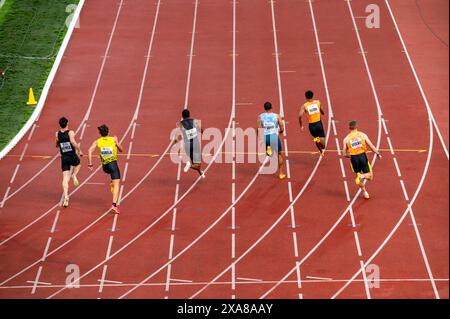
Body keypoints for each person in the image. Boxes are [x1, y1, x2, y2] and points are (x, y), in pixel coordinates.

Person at [87, 124, 123, 214]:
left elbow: (89, 151)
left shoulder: (97, 141)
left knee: (113, 179)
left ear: (100, 133)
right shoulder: (113, 139)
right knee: (117, 183)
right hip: (113, 165)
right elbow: (121, 150)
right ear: (108, 132)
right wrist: (117, 142)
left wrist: (90, 163)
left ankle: (112, 182)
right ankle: (114, 205)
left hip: (105, 167)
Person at [342, 120, 381, 199]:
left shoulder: (346, 139)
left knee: (358, 177)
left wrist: (351, 155)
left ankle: (364, 191)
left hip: (354, 159)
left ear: (349, 128)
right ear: (357, 127)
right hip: (362, 157)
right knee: (370, 177)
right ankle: (362, 176)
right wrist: (377, 153)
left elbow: (344, 154)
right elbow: (371, 145)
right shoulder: (362, 135)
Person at [55, 117, 83, 207]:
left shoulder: (57, 133)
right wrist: (79, 150)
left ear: (60, 124)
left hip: (64, 158)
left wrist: (59, 143)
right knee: (78, 164)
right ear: (67, 123)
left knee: (65, 179)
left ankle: (66, 197)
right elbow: (73, 141)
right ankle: (74, 175)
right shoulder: (70, 132)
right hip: (72, 156)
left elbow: (56, 144)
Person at [257, 101, 286, 180]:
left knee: (269, 150)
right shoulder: (276, 116)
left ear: (264, 108)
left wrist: (259, 138)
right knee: (279, 154)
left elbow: (258, 128)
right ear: (271, 108)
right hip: (274, 137)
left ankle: (268, 150)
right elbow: (281, 125)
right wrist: (281, 131)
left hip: (265, 137)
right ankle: (281, 173)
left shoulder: (260, 116)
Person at [174, 109, 205, 177]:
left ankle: (199, 172)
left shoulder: (180, 123)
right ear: (189, 115)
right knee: (197, 163)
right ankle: (191, 166)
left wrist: (175, 140)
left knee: (194, 162)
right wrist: (202, 131)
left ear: (182, 116)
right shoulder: (194, 121)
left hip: (188, 145)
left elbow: (176, 133)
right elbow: (200, 129)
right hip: (195, 144)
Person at [299, 90, 326, 156]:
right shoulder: (318, 102)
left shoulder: (304, 106)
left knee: (316, 138)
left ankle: (320, 151)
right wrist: (322, 112)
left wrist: (301, 125)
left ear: (306, 97)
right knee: (323, 145)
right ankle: (321, 150)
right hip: (319, 124)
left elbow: (300, 116)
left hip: (311, 126)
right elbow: (323, 111)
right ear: (312, 96)